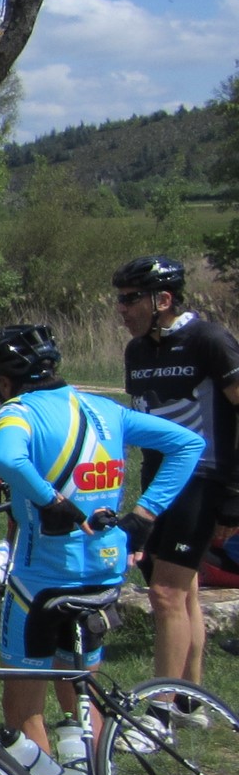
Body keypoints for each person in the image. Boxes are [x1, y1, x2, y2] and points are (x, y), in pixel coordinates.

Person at [0, 324, 202, 775]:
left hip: (41, 582)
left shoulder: (18, 412)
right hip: (103, 574)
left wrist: (48, 501)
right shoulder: (105, 410)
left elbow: (9, 460)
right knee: (80, 695)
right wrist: (145, 515)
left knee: (23, 706)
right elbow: (188, 443)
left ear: (5, 381)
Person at [115, 255, 239, 686]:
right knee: (182, 594)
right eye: (120, 299)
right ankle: (190, 699)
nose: (122, 309)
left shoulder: (209, 340)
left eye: (131, 299)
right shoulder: (136, 351)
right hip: (159, 481)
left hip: (205, 478)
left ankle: (160, 709)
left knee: (165, 594)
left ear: (163, 300)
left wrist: (234, 498)